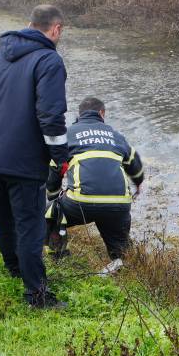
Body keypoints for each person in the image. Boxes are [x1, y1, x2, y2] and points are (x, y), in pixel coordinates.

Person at [0, 4, 69, 308]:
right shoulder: (49, 60)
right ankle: (37, 294)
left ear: (29, 24)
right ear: (56, 30)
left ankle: (14, 268)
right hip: (24, 161)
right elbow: (51, 116)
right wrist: (60, 157)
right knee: (30, 226)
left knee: (3, 219)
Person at [45, 97, 144, 274]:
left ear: (80, 114)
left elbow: (54, 168)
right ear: (102, 114)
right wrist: (138, 184)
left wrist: (53, 198)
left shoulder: (69, 133)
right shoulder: (116, 135)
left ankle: (59, 259)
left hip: (80, 203)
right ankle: (122, 265)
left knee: (50, 215)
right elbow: (135, 166)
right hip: (119, 203)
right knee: (120, 244)